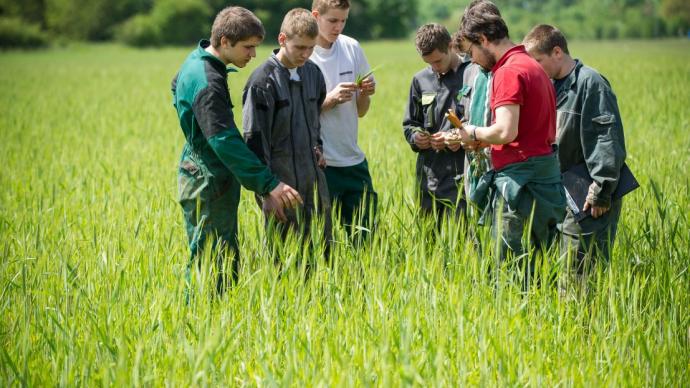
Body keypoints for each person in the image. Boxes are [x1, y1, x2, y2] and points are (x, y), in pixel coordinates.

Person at [171, 6, 302, 295]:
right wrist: (268, 183)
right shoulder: (209, 81)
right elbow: (224, 141)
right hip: (208, 180)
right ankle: (204, 324)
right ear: (225, 41)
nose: (253, 55)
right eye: (248, 47)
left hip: (202, 171)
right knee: (215, 261)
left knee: (214, 256)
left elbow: (174, 87)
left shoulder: (195, 62)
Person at [455, 1, 566, 281]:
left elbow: (505, 131)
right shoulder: (532, 65)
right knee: (544, 270)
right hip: (547, 182)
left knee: (511, 276)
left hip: (521, 188)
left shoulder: (507, 71)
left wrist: (474, 133)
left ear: (483, 40)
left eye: (471, 52)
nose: (473, 61)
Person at [523, 24, 627, 286]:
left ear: (557, 52)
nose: (535, 67)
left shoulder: (590, 82)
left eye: (538, 60)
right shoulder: (550, 85)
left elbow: (606, 139)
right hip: (560, 193)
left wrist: (601, 190)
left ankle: (584, 327)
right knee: (557, 269)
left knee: (579, 275)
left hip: (589, 197)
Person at [243, 8, 331, 260]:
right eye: (300, 47)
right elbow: (254, 142)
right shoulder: (262, 82)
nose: (306, 54)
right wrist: (266, 192)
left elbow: (315, 122)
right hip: (281, 190)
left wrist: (319, 149)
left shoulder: (313, 74)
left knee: (323, 258)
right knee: (285, 264)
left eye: (311, 48)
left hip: (315, 186)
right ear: (283, 40)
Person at [309, 0, 377, 243]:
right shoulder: (304, 54)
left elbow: (361, 111)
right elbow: (296, 114)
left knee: (367, 238)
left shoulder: (352, 47)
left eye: (344, 20)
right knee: (322, 241)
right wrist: (329, 100)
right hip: (320, 164)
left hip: (353, 159)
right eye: (333, 21)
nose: (339, 27)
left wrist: (365, 94)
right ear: (315, 16)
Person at [402, 24, 468, 225]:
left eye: (438, 61)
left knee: (463, 243)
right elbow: (410, 123)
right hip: (428, 177)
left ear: (450, 46)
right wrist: (416, 137)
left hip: (461, 177)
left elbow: (484, 123)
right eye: (429, 63)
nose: (435, 68)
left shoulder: (471, 74)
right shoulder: (420, 80)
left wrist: (458, 137)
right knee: (428, 245)